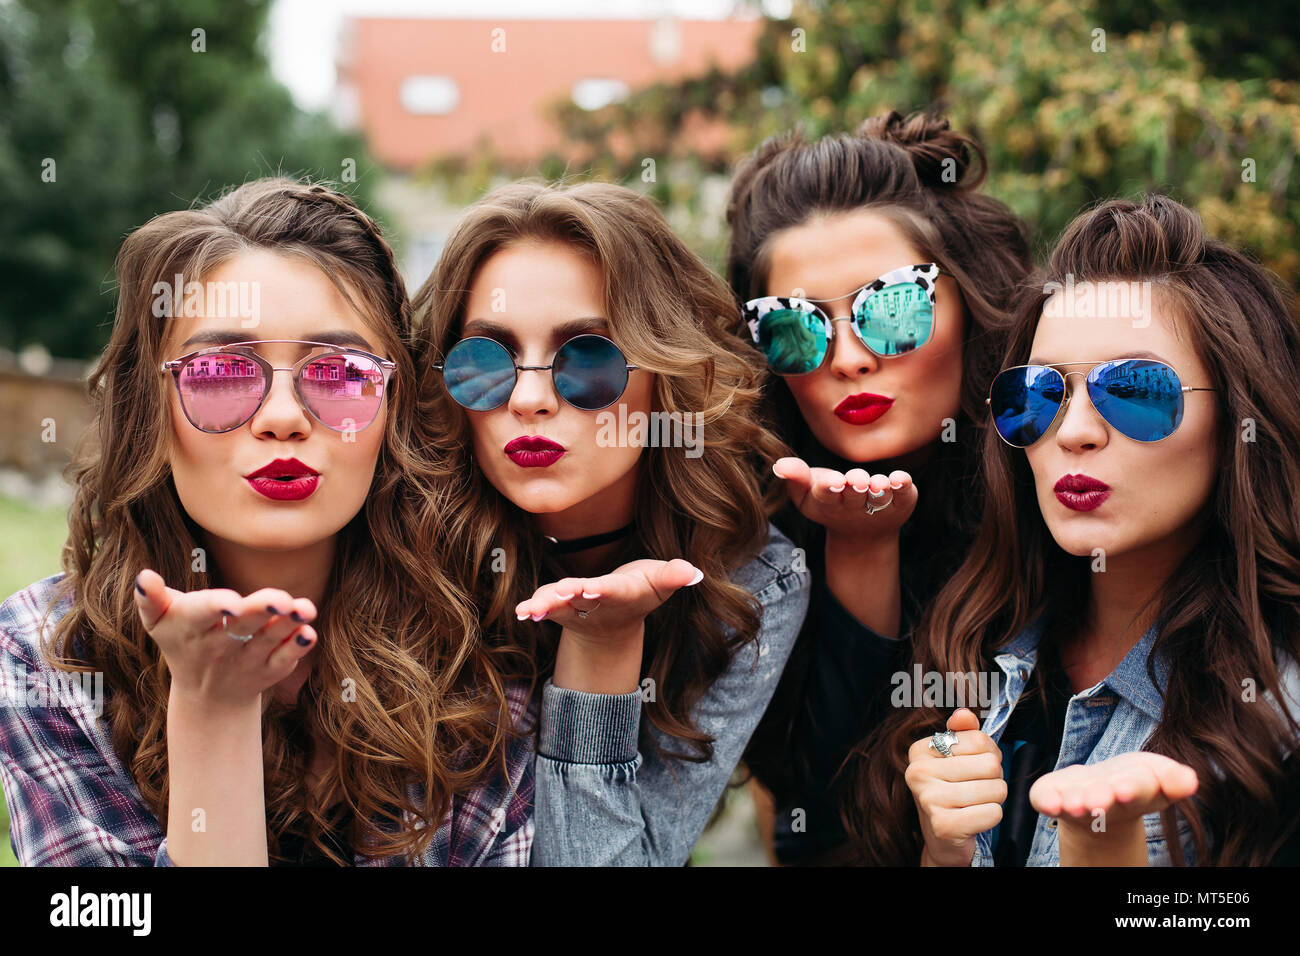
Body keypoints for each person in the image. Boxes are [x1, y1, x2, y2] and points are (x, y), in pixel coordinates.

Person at [0, 179, 534, 866]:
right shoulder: (45, 660)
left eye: (340, 373)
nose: (283, 416)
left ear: (395, 412)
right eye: (222, 371)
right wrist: (211, 712)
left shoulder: (486, 670)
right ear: (149, 414)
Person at [846, 194, 1300, 866]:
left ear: (1239, 420)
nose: (1076, 432)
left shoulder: (1278, 718)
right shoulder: (968, 650)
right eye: (1039, 395)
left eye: (1138, 391)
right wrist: (941, 853)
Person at [409, 179, 810, 865]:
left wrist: (601, 656)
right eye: (484, 361)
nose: (530, 399)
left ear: (667, 372)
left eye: (587, 360)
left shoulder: (751, 585)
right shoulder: (403, 547)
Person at [724, 109, 1031, 862]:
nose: (851, 358)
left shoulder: (1063, 491)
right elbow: (820, 824)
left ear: (970, 300)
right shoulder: (755, 537)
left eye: (891, 308)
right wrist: (862, 547)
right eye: (795, 326)